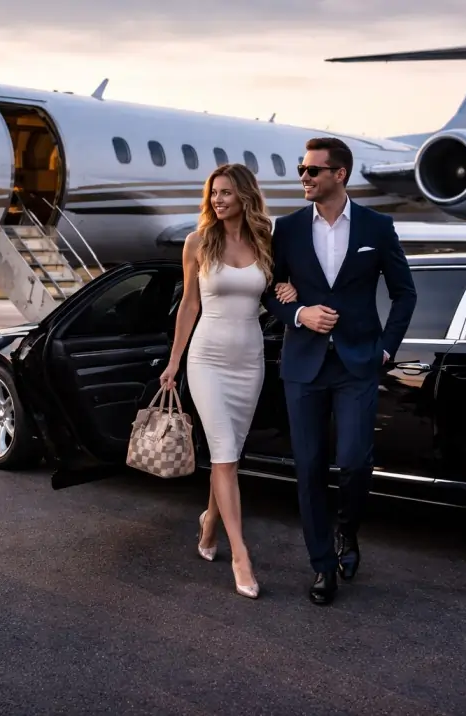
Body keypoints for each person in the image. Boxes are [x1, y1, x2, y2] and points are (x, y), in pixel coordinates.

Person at [261, 137, 417, 606]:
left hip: (357, 363)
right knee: (307, 470)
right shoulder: (285, 229)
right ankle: (322, 564)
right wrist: (296, 314)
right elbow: (268, 290)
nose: (303, 178)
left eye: (312, 171)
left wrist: (386, 349)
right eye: (301, 170)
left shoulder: (377, 226)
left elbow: (404, 293)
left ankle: (348, 532)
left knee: (353, 462)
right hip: (303, 365)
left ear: (339, 174)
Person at [159, 163, 297, 600]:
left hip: (249, 360)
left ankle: (209, 526)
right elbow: (188, 306)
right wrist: (174, 361)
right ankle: (241, 555)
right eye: (213, 193)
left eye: (226, 193)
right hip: (207, 359)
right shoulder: (197, 242)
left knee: (229, 457)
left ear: (244, 196)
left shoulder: (265, 241)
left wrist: (290, 291)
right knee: (222, 452)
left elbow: (282, 288)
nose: (217, 200)